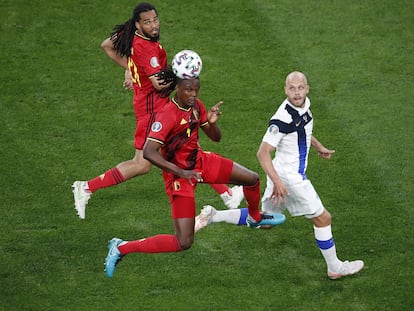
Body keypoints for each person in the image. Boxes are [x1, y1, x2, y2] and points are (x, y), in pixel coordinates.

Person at [71, 2, 243, 220]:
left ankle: (228, 194)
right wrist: (180, 74)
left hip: (150, 104)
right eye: (147, 22)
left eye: (155, 19)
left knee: (187, 146)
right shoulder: (148, 48)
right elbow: (158, 83)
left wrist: (132, 70)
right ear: (138, 23)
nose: (153, 25)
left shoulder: (130, 33)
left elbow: (106, 44)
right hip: (154, 110)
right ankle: (85, 188)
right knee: (141, 164)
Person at [104, 76, 284, 278]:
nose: (194, 94)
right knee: (184, 241)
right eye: (189, 90)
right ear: (177, 88)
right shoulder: (166, 115)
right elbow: (149, 152)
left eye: (196, 90)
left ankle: (254, 217)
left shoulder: (196, 105)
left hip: (200, 163)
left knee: (252, 179)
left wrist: (212, 123)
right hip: (179, 178)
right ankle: (121, 247)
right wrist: (182, 173)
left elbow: (216, 138)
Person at [194, 71, 364, 280]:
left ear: (307, 88)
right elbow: (262, 152)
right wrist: (278, 182)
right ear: (285, 90)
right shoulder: (282, 118)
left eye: (300, 87)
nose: (296, 93)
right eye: (291, 88)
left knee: (264, 221)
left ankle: (213, 215)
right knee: (323, 218)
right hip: (289, 177)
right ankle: (335, 267)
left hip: (284, 175)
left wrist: (319, 146)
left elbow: (303, 129)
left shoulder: (303, 106)